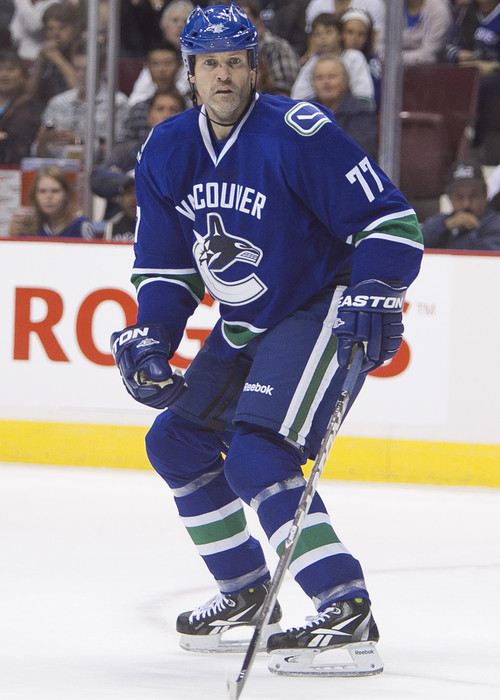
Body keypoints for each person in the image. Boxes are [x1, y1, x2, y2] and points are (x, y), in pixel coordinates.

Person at [110, 3, 423, 677]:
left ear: (254, 67)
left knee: (257, 456)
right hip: (245, 320)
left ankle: (345, 611)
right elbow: (166, 267)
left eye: (234, 62)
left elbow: (391, 221)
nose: (222, 76)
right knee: (176, 442)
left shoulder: (298, 133)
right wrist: (152, 336)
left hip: (320, 306)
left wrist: (377, 286)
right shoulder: (166, 148)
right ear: (190, 72)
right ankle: (249, 593)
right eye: (209, 64)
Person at [32, 36, 129, 163]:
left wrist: (77, 142)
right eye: (77, 68)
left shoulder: (117, 103)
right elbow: (36, 153)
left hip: (97, 171)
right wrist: (42, 142)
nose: (81, 75)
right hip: (56, 171)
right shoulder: (58, 103)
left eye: (87, 69)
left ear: (101, 69)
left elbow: (118, 152)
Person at [91, 87, 186, 216]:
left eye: (173, 110)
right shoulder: (129, 151)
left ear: (184, 117)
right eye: (160, 109)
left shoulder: (191, 154)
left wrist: (137, 178)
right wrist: (130, 180)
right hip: (126, 221)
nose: (166, 115)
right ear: (149, 117)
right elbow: (97, 179)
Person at [443, 0, 500, 156]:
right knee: (442, 80)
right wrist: (458, 55)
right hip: (464, 69)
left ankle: (478, 145)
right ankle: (448, 144)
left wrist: (493, 66)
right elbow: (448, 47)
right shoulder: (465, 12)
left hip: (492, 74)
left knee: (486, 85)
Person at [291, 11, 374, 106]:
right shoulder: (313, 61)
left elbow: (363, 93)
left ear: (340, 35)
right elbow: (298, 96)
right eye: (317, 34)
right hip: (320, 110)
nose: (323, 38)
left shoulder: (353, 57)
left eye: (328, 32)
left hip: (351, 110)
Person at [421, 158, 500, 250]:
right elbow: (415, 243)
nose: (466, 204)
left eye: (473, 195)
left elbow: (483, 255)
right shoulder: (441, 222)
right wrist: (445, 227)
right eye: (459, 197)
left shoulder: (496, 224)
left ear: (485, 193)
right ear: (450, 197)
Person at [312, 52, 378, 160]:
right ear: (313, 83)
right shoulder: (305, 110)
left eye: (331, 76)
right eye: (319, 78)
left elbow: (358, 152)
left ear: (345, 81)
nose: (325, 82)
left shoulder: (360, 112)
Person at [8, 164, 94, 237]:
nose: (48, 197)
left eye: (55, 191)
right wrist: (14, 234)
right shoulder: (29, 225)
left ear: (66, 194)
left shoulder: (79, 225)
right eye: (42, 191)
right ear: (35, 195)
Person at [236, 0, 300, 96]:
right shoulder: (226, 51)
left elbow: (285, 95)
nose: (238, 24)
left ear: (258, 20)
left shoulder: (278, 48)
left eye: (243, 19)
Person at [25, 0, 82, 106]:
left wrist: (58, 60)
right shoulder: (47, 52)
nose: (56, 34)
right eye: (50, 29)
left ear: (75, 28)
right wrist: (40, 64)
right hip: (50, 109)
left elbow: (80, 91)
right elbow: (29, 95)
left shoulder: (84, 49)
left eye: (62, 28)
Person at [377, 0, 453, 66]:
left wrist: (396, 58)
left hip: (428, 71)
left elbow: (429, 54)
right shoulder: (394, 7)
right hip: (393, 70)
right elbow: (380, 44)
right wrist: (388, 56)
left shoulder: (439, 11)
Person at [0, 48, 43, 163]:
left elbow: (21, 139)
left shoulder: (30, 106)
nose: (4, 75)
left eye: (10, 69)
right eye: (0, 69)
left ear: (22, 75)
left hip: (16, 166)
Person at [339, 6, 381, 111]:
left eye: (361, 34)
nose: (355, 38)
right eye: (349, 32)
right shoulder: (329, 59)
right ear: (340, 33)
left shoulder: (373, 63)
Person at [127, 39, 182, 107]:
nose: (161, 69)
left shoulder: (190, 100)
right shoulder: (139, 105)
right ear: (148, 67)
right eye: (155, 63)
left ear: (179, 66)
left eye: (167, 63)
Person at [9, 0, 60, 65]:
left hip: (39, 56)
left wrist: (21, 2)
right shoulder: (24, 3)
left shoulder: (55, 3)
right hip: (18, 54)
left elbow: (34, 26)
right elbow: (15, 31)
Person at [103, 174, 137, 241]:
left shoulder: (154, 226)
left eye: (138, 193)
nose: (134, 199)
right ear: (121, 198)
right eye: (129, 193)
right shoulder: (112, 225)